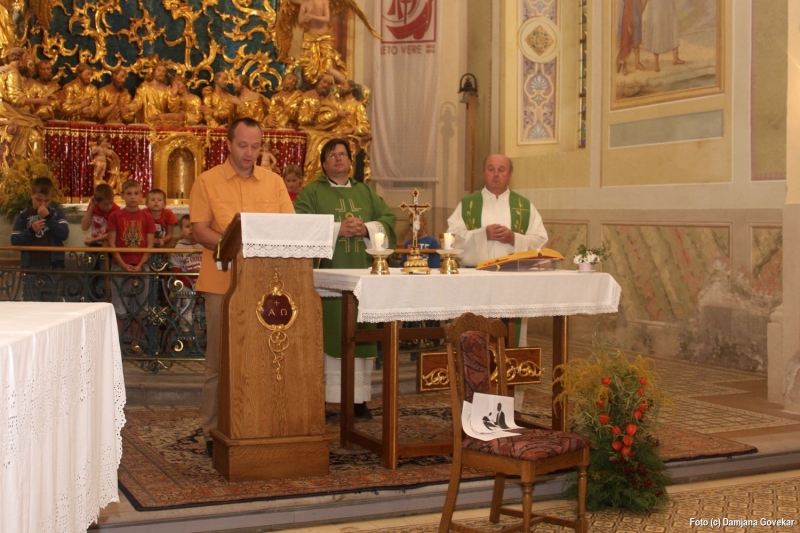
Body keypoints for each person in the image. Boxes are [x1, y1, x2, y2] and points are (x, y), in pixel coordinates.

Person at [189, 117, 294, 457]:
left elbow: (290, 229)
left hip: (266, 285)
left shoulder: (274, 183)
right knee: (219, 363)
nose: (249, 153)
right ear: (229, 144)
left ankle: (258, 422)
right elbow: (200, 230)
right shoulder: (207, 182)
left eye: (255, 146)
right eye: (243, 145)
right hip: (222, 283)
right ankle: (212, 430)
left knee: (263, 358)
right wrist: (237, 246)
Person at [293, 138, 396, 419]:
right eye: (331, 155)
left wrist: (366, 229)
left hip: (363, 275)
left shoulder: (366, 192)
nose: (338, 159)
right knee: (328, 334)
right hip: (327, 278)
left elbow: (388, 221)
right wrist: (338, 228)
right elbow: (300, 226)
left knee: (360, 333)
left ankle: (358, 400)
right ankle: (325, 400)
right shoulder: (311, 193)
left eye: (342, 154)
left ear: (351, 161)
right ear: (323, 163)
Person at [447, 154, 547, 269]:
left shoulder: (524, 206)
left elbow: (541, 242)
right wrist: (482, 235)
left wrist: (514, 239)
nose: (495, 174)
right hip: (476, 273)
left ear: (510, 174)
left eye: (501, 170)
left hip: (513, 273)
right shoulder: (468, 204)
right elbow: (451, 240)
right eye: (490, 169)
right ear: (483, 173)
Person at [106, 180, 156, 330]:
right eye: (129, 194)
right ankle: (118, 342)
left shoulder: (147, 217)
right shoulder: (115, 216)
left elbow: (150, 244)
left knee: (140, 309)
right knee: (119, 308)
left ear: (141, 195)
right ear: (122, 196)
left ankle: (136, 342)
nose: (133, 197)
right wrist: (122, 264)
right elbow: (112, 243)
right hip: (119, 266)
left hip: (142, 266)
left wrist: (141, 264)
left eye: (136, 193)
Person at [10, 176, 69, 301]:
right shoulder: (23, 215)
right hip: (31, 268)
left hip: (54, 267)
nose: (42, 204)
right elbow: (14, 240)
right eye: (38, 200)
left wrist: (48, 218)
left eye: (47, 201)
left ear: (51, 197)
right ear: (31, 195)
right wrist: (31, 230)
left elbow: (64, 234)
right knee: (31, 305)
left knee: (53, 305)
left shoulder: (56, 213)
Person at [168, 215, 203, 334]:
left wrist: (201, 283)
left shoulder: (204, 244)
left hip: (203, 283)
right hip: (186, 284)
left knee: (203, 312)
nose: (191, 229)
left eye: (194, 226)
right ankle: (186, 336)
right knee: (186, 310)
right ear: (181, 231)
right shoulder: (178, 248)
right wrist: (191, 283)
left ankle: (203, 337)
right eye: (187, 226)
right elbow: (176, 271)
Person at [643, 0, 685, 72]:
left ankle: (675, 58)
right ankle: (656, 62)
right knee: (657, 29)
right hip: (656, 4)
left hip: (668, 3)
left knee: (672, 23)